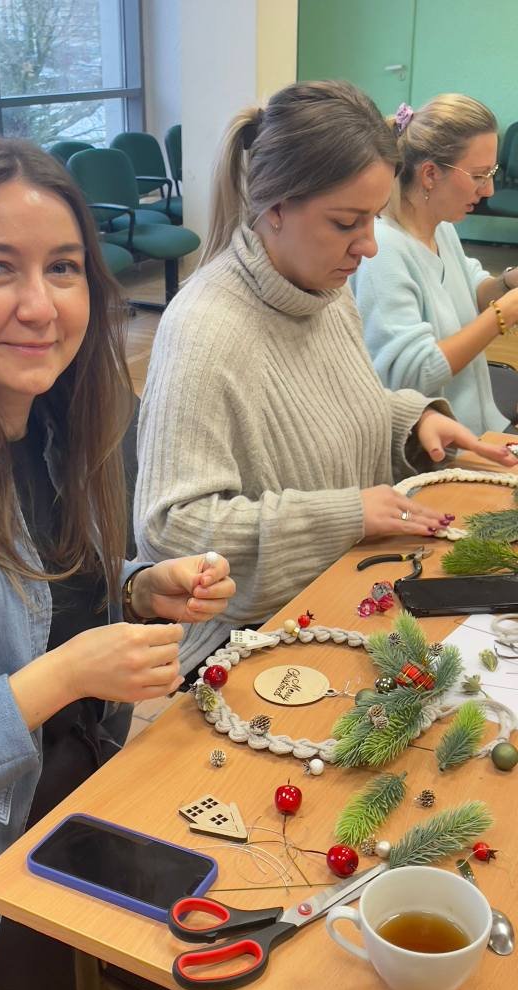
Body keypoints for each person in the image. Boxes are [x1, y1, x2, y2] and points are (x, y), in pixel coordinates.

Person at [0, 137, 235, 990]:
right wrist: (62, 677)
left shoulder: (64, 427)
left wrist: (137, 588)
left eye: (63, 268)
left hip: (83, 807)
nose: (40, 306)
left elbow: (37, 590)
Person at [134, 80, 517, 675]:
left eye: (373, 219)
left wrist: (413, 420)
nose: (369, 246)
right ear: (275, 209)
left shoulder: (326, 290)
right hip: (253, 639)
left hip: (343, 585)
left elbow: (332, 407)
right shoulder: (205, 329)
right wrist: (347, 514)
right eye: (346, 223)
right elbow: (171, 531)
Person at [351, 94, 518, 434]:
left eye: (492, 174)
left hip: (477, 427)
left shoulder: (441, 227)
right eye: (479, 175)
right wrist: (503, 314)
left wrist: (508, 283)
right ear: (429, 174)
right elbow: (412, 374)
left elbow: (473, 290)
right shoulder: (383, 250)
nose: (488, 190)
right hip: (434, 446)